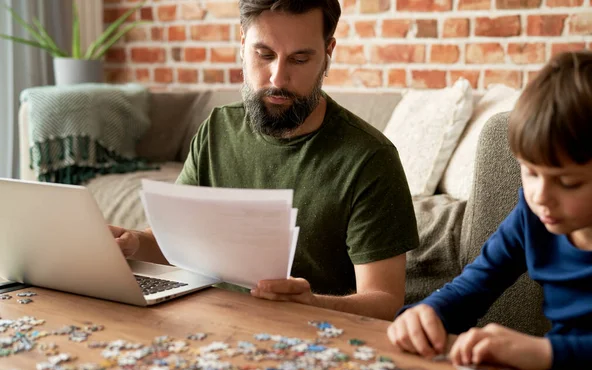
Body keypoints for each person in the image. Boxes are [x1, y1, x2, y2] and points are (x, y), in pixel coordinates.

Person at [110, 0, 419, 321]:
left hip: (312, 336)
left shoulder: (370, 157)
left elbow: (385, 301)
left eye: (300, 59)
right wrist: (132, 244)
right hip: (211, 323)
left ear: (328, 52)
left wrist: (314, 304)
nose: (277, 78)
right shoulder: (217, 128)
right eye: (265, 55)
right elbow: (175, 245)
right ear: (243, 43)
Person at [387, 50, 592, 370]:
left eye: (568, 182)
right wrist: (428, 312)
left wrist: (543, 352)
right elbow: (473, 287)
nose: (540, 197)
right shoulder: (532, 216)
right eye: (529, 172)